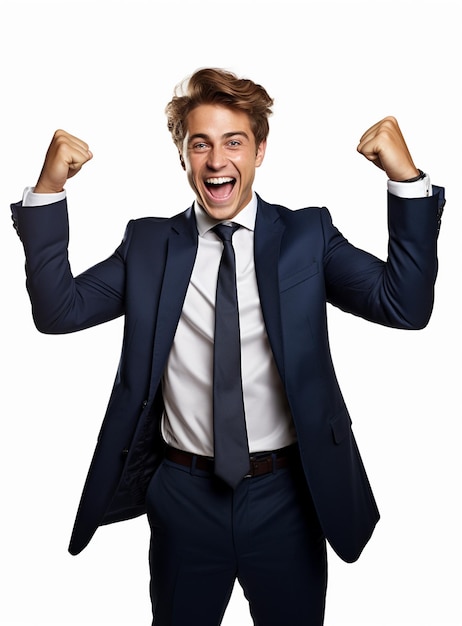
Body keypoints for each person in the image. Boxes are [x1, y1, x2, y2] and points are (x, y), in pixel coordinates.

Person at [11, 68, 445, 625]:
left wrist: (403, 177)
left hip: (288, 497)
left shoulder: (306, 237)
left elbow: (404, 307)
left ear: (260, 150)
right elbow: (58, 312)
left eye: (234, 142)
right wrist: (49, 190)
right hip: (183, 497)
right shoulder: (147, 245)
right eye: (201, 144)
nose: (217, 161)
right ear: (183, 155)